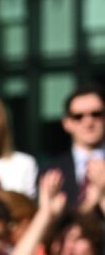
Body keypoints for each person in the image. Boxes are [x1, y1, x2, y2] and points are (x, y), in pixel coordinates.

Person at [43, 82, 105, 212]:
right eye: (78, 116)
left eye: (96, 114)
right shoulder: (50, 171)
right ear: (66, 123)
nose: (88, 122)